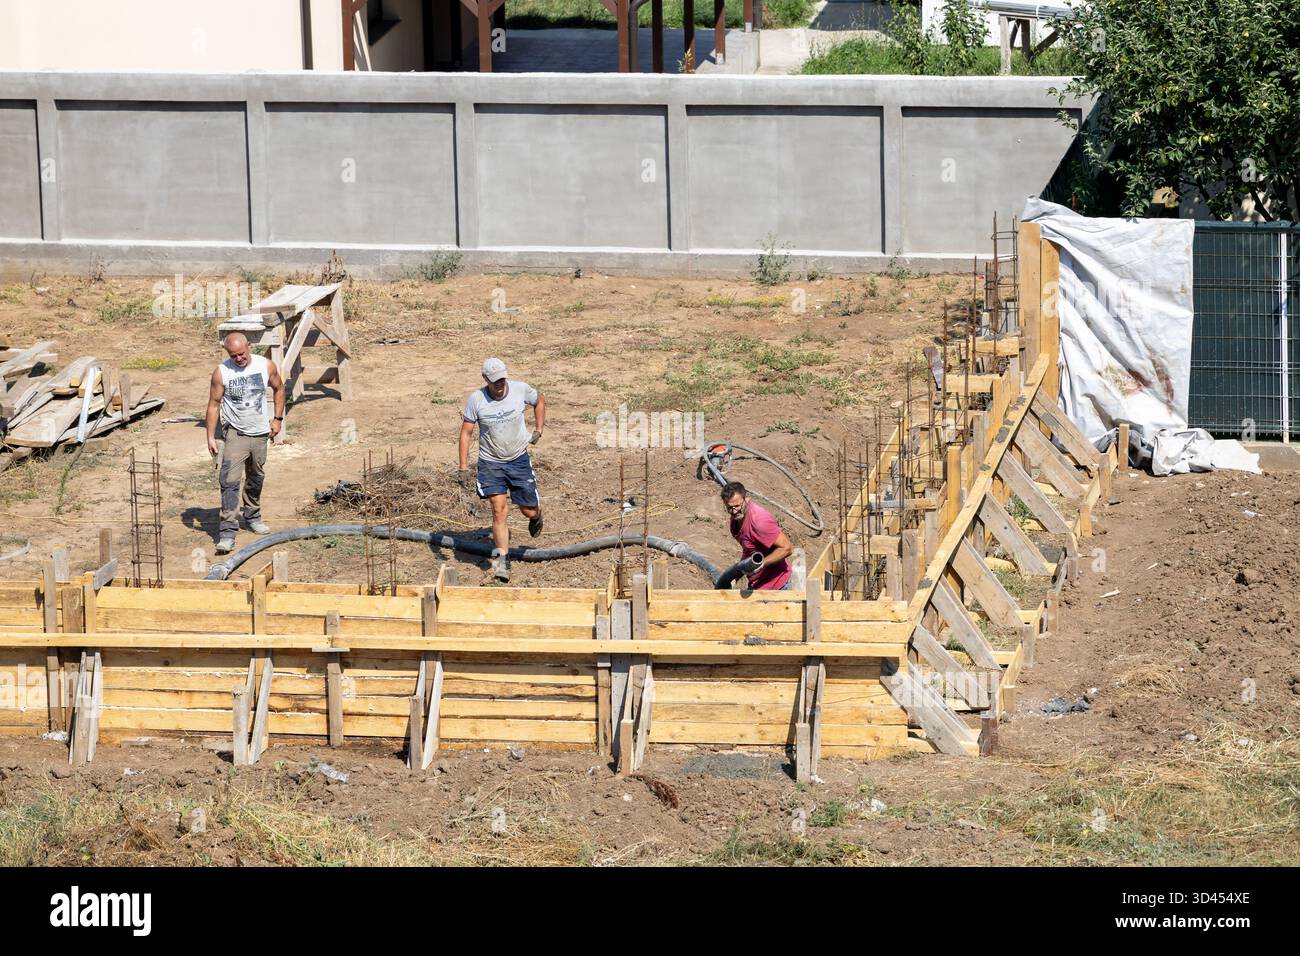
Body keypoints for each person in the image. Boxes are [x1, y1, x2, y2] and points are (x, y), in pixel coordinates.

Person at [458, 358, 546, 581]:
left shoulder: (520, 390)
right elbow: (466, 433)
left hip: (518, 459)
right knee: (498, 510)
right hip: (491, 462)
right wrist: (462, 467)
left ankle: (536, 516)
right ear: (485, 379)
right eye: (495, 381)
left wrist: (539, 429)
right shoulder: (476, 400)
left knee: (529, 510)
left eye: (502, 380)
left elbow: (540, 401)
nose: (500, 385)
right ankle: (502, 561)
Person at [205, 332, 285, 555]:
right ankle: (228, 531)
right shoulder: (222, 372)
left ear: (249, 347)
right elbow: (213, 404)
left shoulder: (265, 365)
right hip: (235, 435)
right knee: (229, 481)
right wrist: (210, 436)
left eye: (241, 354)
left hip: (260, 434)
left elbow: (279, 389)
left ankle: (252, 516)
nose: (238, 359)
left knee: (256, 476)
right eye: (233, 355)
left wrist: (277, 419)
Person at [722, 480, 794, 590]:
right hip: (758, 584)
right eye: (729, 508)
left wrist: (761, 564)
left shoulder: (759, 522)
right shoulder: (736, 520)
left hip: (776, 586)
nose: (734, 511)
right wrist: (737, 574)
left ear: (746, 498)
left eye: (737, 506)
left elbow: (787, 548)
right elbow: (750, 549)